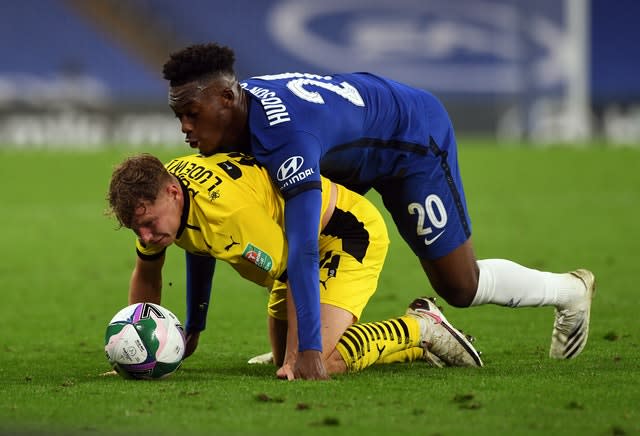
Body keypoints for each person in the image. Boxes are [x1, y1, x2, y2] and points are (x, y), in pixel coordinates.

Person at [161, 43, 595, 378]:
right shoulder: (234, 122)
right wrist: (195, 323)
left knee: (460, 286)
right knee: (276, 222)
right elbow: (203, 224)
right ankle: (303, 341)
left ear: (226, 97)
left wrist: (311, 351)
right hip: (347, 144)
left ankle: (569, 291)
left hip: (410, 142)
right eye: (179, 115)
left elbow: (304, 248)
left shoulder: (286, 137)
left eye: (192, 114)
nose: (185, 127)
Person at [106, 152, 483, 379]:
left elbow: (294, 272)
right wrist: (190, 327)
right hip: (294, 249)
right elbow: (176, 258)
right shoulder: (165, 195)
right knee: (291, 350)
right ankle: (306, 344)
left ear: (172, 192)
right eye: (136, 227)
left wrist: (299, 357)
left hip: (343, 235)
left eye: (149, 224)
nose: (146, 234)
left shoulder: (229, 216)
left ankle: (418, 330)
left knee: (319, 361)